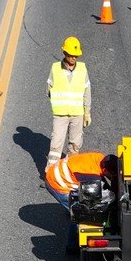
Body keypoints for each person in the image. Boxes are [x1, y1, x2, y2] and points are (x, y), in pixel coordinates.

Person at [46, 36, 92, 166]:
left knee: (75, 145)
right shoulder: (55, 68)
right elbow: (48, 90)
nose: (73, 58)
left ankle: (69, 173)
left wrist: (87, 112)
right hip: (60, 115)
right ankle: (51, 175)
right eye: (71, 55)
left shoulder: (83, 69)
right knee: (56, 146)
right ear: (64, 53)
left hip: (77, 114)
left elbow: (87, 92)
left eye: (76, 56)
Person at [43, 150, 110, 209]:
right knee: (79, 211)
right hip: (55, 184)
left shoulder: (99, 157)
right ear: (105, 170)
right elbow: (90, 197)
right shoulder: (91, 177)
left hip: (55, 170)